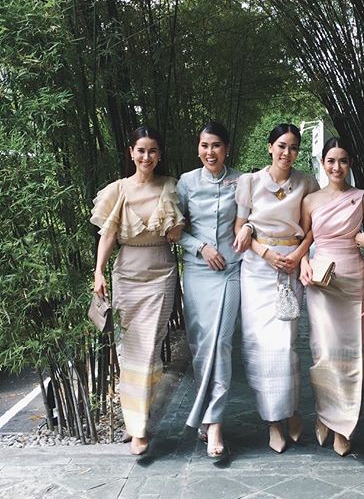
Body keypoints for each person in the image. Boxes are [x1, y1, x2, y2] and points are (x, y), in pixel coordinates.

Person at [91, 126, 184, 455]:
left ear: (159, 155)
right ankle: (137, 422)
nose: (147, 156)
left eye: (152, 150)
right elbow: (108, 235)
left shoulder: (170, 186)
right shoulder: (117, 190)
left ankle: (139, 424)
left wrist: (178, 226)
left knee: (149, 348)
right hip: (127, 275)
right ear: (131, 152)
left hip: (161, 273)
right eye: (141, 150)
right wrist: (98, 272)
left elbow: (178, 232)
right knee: (130, 350)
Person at [233, 123, 319, 453]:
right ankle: (273, 422)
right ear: (270, 147)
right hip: (257, 268)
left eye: (293, 147)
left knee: (284, 346)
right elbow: (240, 228)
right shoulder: (250, 182)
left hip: (290, 266)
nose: (287, 152)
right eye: (282, 145)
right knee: (259, 346)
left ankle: (291, 411)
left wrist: (298, 255)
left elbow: (312, 229)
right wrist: (265, 252)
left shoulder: (306, 183)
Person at [299, 138, 364, 456]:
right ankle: (325, 414)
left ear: (349, 164)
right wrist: (303, 264)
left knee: (354, 354)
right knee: (324, 353)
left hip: (354, 280)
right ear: (322, 163)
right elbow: (302, 240)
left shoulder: (363, 197)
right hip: (321, 282)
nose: (336, 167)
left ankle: (345, 426)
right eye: (331, 161)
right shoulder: (310, 200)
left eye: (342, 161)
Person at [176, 121, 241, 459]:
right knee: (201, 345)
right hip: (198, 271)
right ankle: (205, 415)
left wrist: (249, 228)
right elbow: (174, 230)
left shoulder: (242, 181)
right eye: (204, 145)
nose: (210, 151)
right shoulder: (186, 182)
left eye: (216, 145)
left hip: (230, 270)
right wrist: (201, 247)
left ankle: (214, 421)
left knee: (223, 343)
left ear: (226, 148)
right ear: (198, 148)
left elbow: (252, 218)